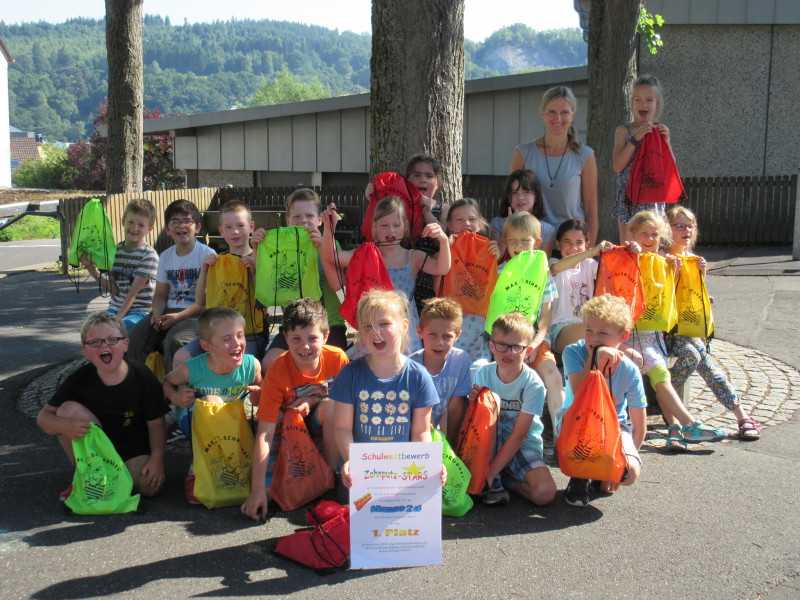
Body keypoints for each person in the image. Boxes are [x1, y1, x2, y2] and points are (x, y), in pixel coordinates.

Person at [37, 312, 168, 500]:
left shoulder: (142, 376)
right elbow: (43, 418)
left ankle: (108, 483)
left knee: (149, 488)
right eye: (95, 342)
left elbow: (156, 423)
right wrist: (66, 427)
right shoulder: (80, 378)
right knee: (66, 411)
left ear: (126, 344)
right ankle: (84, 476)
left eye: (112, 340)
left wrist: (157, 459)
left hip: (133, 452)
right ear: (85, 350)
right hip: (96, 455)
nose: (104, 346)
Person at [625, 210, 725, 450]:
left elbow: (671, 295)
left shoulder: (664, 261)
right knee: (661, 375)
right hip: (632, 334)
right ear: (633, 235)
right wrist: (633, 252)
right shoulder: (629, 254)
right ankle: (688, 424)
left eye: (654, 234)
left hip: (654, 335)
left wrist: (677, 271)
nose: (649, 239)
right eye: (644, 234)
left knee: (663, 377)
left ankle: (676, 429)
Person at [241, 298, 348, 521]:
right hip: (287, 432)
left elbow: (346, 405)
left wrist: (312, 399)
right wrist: (257, 490)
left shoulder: (338, 358)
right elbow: (265, 434)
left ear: (326, 336)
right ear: (285, 338)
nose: (305, 346)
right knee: (270, 496)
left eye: (312, 338)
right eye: (296, 339)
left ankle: (327, 477)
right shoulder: (278, 369)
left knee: (332, 407)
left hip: (320, 424)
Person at [666, 206, 760, 440]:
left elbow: (692, 296)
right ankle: (671, 411)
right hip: (668, 332)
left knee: (707, 364)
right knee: (694, 356)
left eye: (689, 225)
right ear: (668, 229)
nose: (685, 230)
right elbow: (659, 297)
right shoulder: (663, 258)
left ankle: (742, 415)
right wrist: (672, 274)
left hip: (690, 329)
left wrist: (704, 289)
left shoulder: (694, 259)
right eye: (679, 225)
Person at [331, 290, 440, 488]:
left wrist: (428, 465)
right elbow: (342, 428)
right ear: (361, 334)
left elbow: (421, 433)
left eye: (384, 324)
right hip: (361, 476)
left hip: (404, 474)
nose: (376, 332)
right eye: (368, 326)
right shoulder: (349, 375)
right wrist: (352, 461)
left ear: (404, 326)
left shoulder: (418, 376)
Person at [321, 196, 451, 354]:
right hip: (373, 329)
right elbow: (332, 257)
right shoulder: (366, 253)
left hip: (404, 333)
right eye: (384, 225)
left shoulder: (413, 256)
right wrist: (329, 229)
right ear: (374, 228)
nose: (391, 230)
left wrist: (443, 241)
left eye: (396, 225)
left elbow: (442, 268)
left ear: (405, 227)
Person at [163, 307, 262, 504]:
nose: (237, 343)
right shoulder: (193, 368)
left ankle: (250, 469)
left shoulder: (251, 365)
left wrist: (259, 396)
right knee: (212, 402)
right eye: (227, 339)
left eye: (240, 336)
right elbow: (167, 382)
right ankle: (196, 472)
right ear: (207, 345)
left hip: (236, 423)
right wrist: (176, 398)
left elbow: (261, 391)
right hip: (198, 422)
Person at [560, 294, 647, 507]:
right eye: (588, 330)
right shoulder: (573, 352)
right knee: (584, 453)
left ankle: (602, 469)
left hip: (614, 427)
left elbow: (639, 425)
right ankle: (579, 476)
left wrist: (618, 465)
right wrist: (595, 360)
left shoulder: (629, 370)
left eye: (602, 333)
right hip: (578, 424)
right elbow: (581, 393)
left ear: (623, 336)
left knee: (630, 473)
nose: (593, 338)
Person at [258, 188, 348, 372]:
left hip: (330, 325)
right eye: (296, 217)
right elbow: (267, 280)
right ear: (287, 220)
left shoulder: (331, 245)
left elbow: (341, 287)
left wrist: (323, 249)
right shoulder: (280, 248)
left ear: (320, 220)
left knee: (333, 367)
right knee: (269, 363)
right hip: (294, 327)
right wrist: (257, 247)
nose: (303, 221)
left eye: (309, 215)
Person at [471, 312, 556, 506]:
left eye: (516, 347)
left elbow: (519, 435)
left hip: (523, 444)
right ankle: (495, 475)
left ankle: (507, 480)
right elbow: (476, 425)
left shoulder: (533, 383)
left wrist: (491, 472)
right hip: (489, 442)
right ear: (492, 345)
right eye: (502, 345)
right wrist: (473, 404)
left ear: (527, 351)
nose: (508, 353)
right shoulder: (483, 374)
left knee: (545, 493)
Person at [172, 200, 265, 368]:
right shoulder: (217, 262)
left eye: (240, 225)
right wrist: (205, 269)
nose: (235, 231)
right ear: (221, 231)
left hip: (248, 335)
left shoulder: (259, 259)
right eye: (228, 227)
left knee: (238, 365)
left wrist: (254, 270)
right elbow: (200, 302)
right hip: (216, 335)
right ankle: (187, 394)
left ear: (251, 227)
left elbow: (264, 300)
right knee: (181, 357)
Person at [127, 199, 216, 372]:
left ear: (197, 227)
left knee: (174, 342)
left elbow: (205, 302)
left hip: (195, 316)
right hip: (167, 312)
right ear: (167, 230)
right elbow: (160, 295)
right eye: (175, 221)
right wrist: (157, 316)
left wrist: (177, 317)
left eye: (187, 221)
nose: (181, 226)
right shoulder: (166, 256)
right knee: (136, 337)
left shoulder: (207, 255)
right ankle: (138, 384)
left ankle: (173, 391)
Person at [497, 212, 564, 424]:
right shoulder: (499, 273)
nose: (519, 246)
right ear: (505, 243)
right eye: (513, 241)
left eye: (525, 240)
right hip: (503, 345)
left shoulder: (543, 276)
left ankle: (560, 431)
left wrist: (533, 345)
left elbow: (545, 321)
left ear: (537, 242)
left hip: (536, 343)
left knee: (553, 376)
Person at [510, 85, 598, 245]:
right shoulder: (523, 153)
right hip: (532, 243)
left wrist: (587, 250)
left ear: (572, 115)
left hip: (571, 245)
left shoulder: (585, 156)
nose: (558, 118)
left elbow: (591, 209)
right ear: (542, 114)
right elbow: (512, 201)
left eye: (564, 112)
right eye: (552, 112)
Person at [81, 198, 159, 331]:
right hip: (115, 308)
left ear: (149, 229)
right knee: (91, 328)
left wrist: (117, 319)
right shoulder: (115, 251)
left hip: (139, 311)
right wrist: (91, 269)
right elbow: (113, 289)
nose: (134, 228)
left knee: (120, 328)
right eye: (130, 222)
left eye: (141, 225)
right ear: (123, 221)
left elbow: (132, 294)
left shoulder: (149, 256)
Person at [612, 74, 673, 242]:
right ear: (631, 103)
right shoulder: (623, 131)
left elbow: (670, 172)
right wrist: (634, 140)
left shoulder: (660, 131)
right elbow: (617, 166)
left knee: (651, 247)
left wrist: (667, 143)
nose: (643, 104)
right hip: (629, 200)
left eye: (649, 100)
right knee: (629, 249)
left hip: (652, 199)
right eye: (637, 100)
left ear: (657, 104)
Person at [409, 298, 472, 444]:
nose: (439, 342)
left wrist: (449, 445)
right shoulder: (411, 366)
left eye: (447, 336)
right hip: (415, 431)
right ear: (420, 331)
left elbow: (456, 407)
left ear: (457, 335)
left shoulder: (461, 360)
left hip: (443, 430)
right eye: (433, 335)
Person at [443, 198, 498, 362]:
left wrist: (499, 255)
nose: (466, 223)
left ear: (481, 223)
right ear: (450, 225)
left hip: (481, 320)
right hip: (452, 316)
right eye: (459, 220)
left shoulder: (490, 248)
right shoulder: (445, 245)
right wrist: (444, 247)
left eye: (472, 219)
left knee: (479, 364)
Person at [548, 219, 614, 354]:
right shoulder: (553, 263)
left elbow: (613, 274)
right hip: (560, 329)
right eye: (567, 242)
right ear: (558, 244)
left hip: (589, 327)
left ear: (587, 244)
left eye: (579, 243)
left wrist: (630, 251)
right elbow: (556, 269)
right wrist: (592, 252)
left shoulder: (589, 264)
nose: (573, 248)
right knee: (594, 335)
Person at [490, 169, 556, 255]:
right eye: (515, 193)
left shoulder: (547, 230)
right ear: (509, 198)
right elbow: (495, 260)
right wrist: (507, 228)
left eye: (526, 192)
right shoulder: (497, 224)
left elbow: (543, 264)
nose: (520, 197)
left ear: (536, 196)